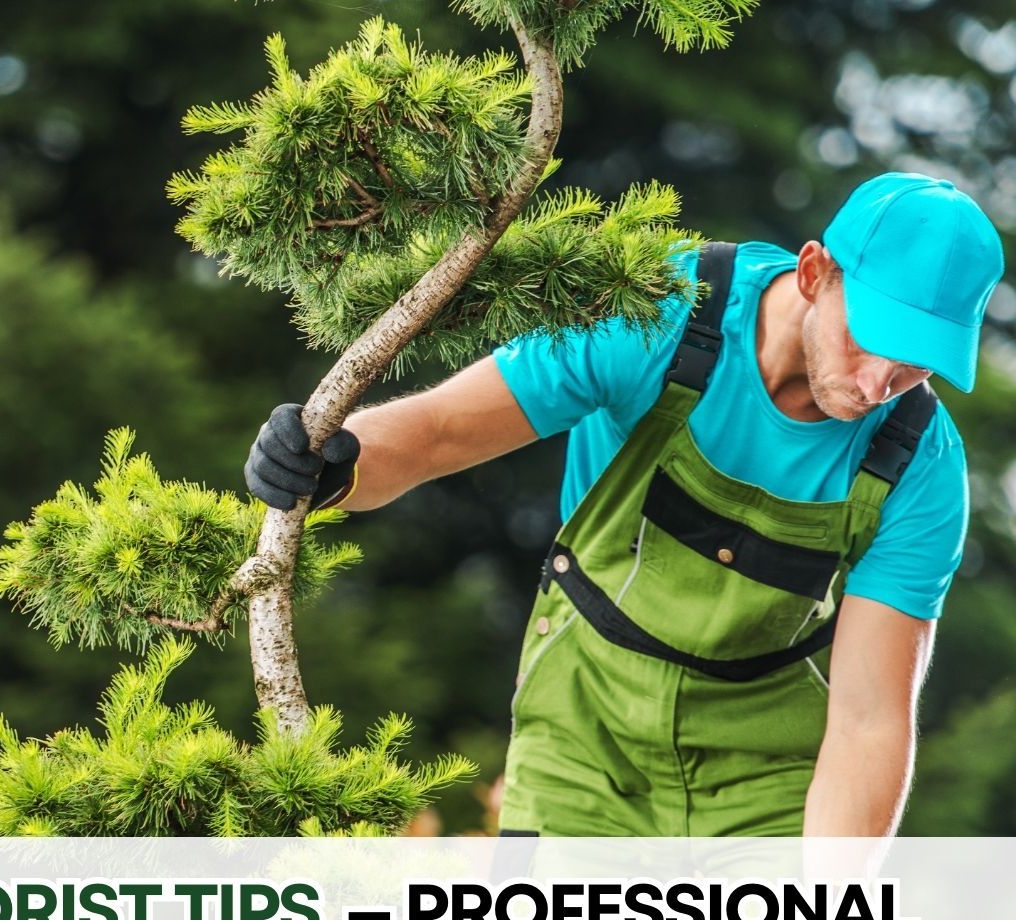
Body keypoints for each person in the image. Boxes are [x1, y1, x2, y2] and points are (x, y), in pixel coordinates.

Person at [244, 172, 1005, 838]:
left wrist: (826, 913)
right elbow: (441, 432)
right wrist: (333, 461)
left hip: (768, 785)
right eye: (868, 342)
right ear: (814, 273)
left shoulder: (919, 464)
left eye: (912, 368)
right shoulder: (660, 312)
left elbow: (870, 722)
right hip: (584, 740)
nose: (878, 385)